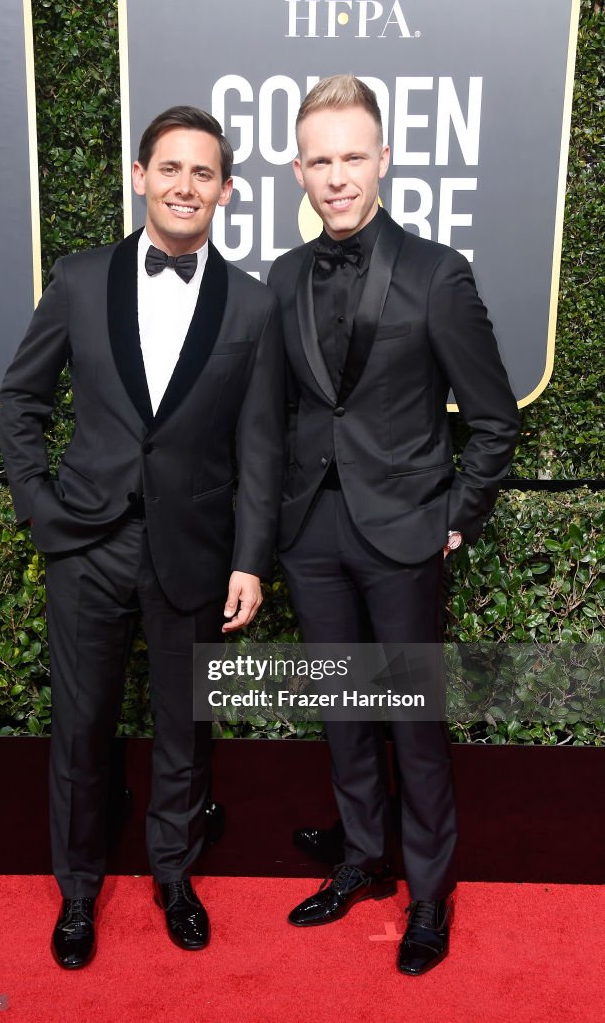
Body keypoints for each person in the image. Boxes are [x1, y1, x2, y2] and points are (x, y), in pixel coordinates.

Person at [0, 106, 283, 966]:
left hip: (194, 553)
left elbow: (261, 445)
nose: (184, 185)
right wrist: (42, 511)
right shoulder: (81, 280)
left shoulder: (255, 304)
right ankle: (78, 892)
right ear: (140, 176)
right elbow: (23, 399)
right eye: (170, 168)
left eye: (203, 173)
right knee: (81, 728)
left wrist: (250, 559)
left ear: (225, 191)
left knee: (183, 730)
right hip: (86, 545)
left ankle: (173, 876)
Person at [267, 76, 519, 975]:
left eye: (352, 156)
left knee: (411, 720)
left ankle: (428, 894)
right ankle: (362, 862)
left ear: (383, 158)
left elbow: (494, 419)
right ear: (298, 170)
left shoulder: (437, 273)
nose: (337, 176)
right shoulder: (283, 275)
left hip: (406, 535)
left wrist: (454, 519)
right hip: (312, 540)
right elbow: (280, 420)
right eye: (320, 160)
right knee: (343, 711)